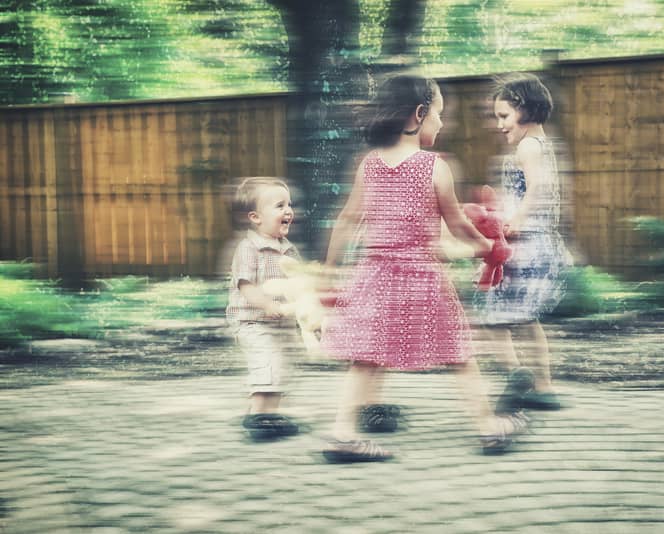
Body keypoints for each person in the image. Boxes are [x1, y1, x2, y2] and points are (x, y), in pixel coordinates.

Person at [320, 74, 529, 462]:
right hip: (421, 278)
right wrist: (488, 246)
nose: (442, 122)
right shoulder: (434, 167)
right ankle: (487, 427)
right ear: (418, 115)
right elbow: (458, 225)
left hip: (376, 276)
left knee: (365, 358)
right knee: (459, 355)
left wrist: (331, 270)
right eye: (438, 114)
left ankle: (342, 434)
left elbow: (348, 219)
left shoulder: (369, 165)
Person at [474, 73, 573, 413]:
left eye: (504, 116)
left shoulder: (528, 146)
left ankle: (516, 376)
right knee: (528, 320)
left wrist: (515, 220)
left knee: (491, 318)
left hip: (523, 246)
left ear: (525, 109)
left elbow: (537, 189)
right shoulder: (543, 145)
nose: (499, 125)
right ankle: (544, 388)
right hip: (538, 243)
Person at [225, 177, 302, 440]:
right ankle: (258, 417)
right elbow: (245, 286)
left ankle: (269, 416)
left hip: (281, 324)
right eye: (279, 205)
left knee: (281, 367)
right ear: (255, 217)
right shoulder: (248, 249)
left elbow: (298, 284)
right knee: (267, 363)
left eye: (289, 204)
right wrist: (268, 304)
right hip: (253, 322)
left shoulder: (288, 251)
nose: (288, 211)